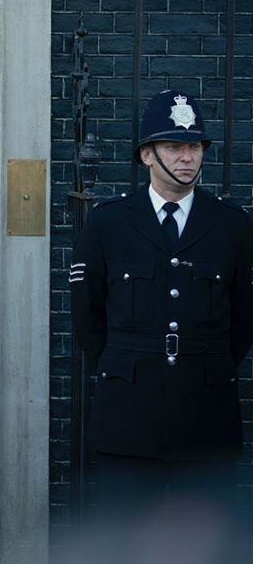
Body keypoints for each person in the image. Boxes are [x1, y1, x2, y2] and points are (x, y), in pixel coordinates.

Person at [71, 90, 253, 532]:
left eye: (194, 147)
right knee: (123, 539)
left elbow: (243, 320)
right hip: (129, 418)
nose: (187, 158)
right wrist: (123, 366)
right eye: (174, 147)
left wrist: (207, 365)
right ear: (147, 155)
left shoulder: (231, 224)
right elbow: (87, 315)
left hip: (204, 418)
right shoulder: (108, 222)